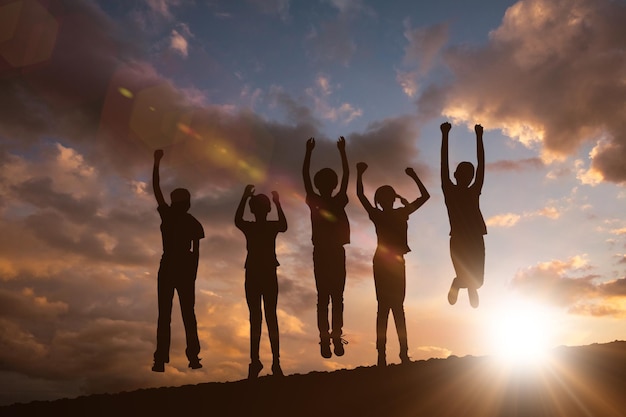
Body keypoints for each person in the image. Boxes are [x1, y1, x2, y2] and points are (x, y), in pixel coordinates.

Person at [356, 162, 430, 367]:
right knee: (393, 308)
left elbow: (361, 196)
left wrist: (360, 174)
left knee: (390, 308)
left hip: (387, 261)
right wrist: (413, 176)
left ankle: (392, 355)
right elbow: (425, 197)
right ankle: (394, 354)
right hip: (390, 262)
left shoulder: (387, 213)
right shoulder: (399, 213)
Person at [151, 149, 205, 372]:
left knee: (166, 313)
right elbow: (197, 252)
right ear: (187, 203)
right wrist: (192, 272)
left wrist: (156, 163)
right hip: (183, 269)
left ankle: (162, 359)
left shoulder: (170, 216)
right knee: (187, 314)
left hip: (170, 267)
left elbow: (156, 189)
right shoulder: (191, 221)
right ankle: (190, 357)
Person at [302, 136, 350, 358]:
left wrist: (309, 152)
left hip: (326, 252)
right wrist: (342, 151)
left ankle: (329, 338)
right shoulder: (328, 200)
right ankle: (330, 338)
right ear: (332, 184)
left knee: (326, 298)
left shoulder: (318, 200)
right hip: (329, 252)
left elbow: (306, 177)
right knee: (333, 298)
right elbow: (346, 176)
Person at [235, 184, 287, 378]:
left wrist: (244, 197)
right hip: (264, 273)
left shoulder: (253, 226)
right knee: (267, 317)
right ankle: (271, 362)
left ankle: (261, 362)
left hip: (256, 273)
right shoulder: (268, 226)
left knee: (257, 318)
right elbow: (284, 225)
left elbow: (237, 220)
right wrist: (277, 203)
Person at [440, 122, 487, 308]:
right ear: (456, 174)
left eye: (470, 174)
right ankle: (459, 284)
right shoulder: (449, 190)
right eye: (464, 173)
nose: (467, 176)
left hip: (475, 237)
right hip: (459, 237)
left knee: (479, 281)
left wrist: (479, 137)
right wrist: (445, 135)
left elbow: (482, 165)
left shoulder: (474, 190)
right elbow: (443, 163)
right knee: (463, 275)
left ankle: (470, 287)